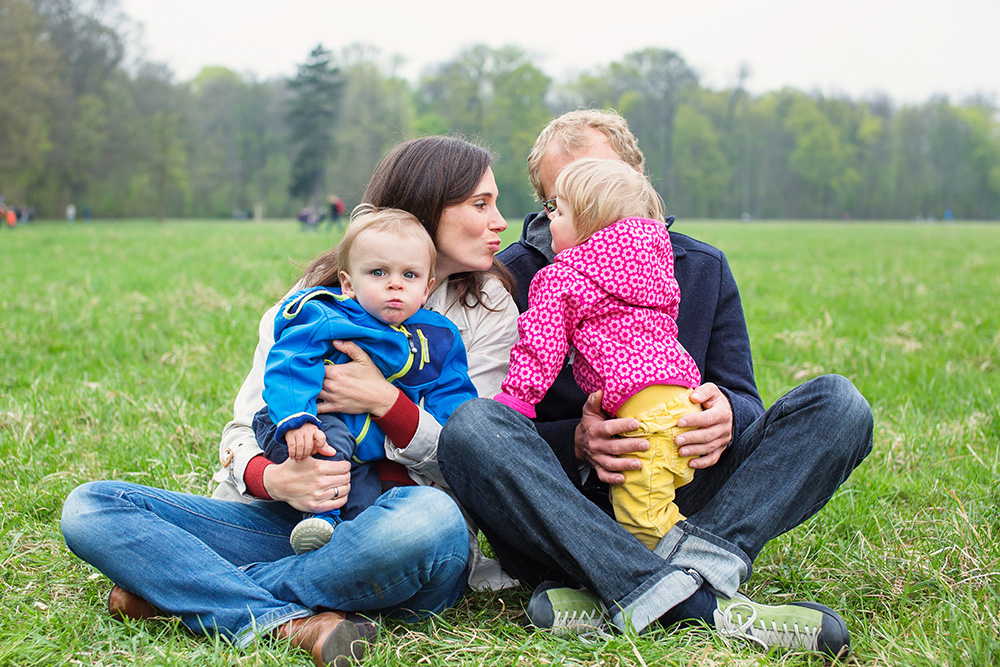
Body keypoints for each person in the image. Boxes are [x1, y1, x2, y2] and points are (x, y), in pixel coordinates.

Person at [61, 136, 519, 667]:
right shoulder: (312, 304)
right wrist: (273, 478)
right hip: (288, 523)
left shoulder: (484, 311)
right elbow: (242, 429)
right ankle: (291, 624)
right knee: (91, 507)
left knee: (428, 519)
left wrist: (385, 400)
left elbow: (470, 458)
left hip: (394, 535)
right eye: (480, 204)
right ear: (423, 205)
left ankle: (187, 595)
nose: (501, 221)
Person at [438, 110, 873, 658]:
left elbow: (744, 396)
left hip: (683, 484)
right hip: (565, 505)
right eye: (566, 194)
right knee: (470, 428)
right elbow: (503, 417)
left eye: (602, 180)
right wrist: (575, 439)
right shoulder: (515, 273)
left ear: (639, 178)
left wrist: (726, 415)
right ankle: (700, 602)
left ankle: (634, 587)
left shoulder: (700, 265)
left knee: (840, 404)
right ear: (550, 206)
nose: (594, 206)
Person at [495, 158, 702, 550]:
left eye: (558, 211)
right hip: (681, 406)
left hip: (642, 422)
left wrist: (514, 404)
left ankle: (681, 578)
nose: (548, 221)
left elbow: (540, 345)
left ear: (588, 223)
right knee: (657, 504)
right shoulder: (652, 268)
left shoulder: (563, 278)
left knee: (642, 521)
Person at [254, 206, 478, 555]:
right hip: (303, 425)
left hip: (364, 458)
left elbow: (451, 389)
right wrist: (296, 418)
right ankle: (321, 521)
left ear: (427, 287)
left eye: (410, 275)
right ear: (348, 283)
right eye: (378, 272)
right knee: (333, 443)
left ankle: (347, 548)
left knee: (367, 500)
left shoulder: (438, 338)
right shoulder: (328, 315)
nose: (394, 284)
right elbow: (289, 364)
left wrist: (455, 431)